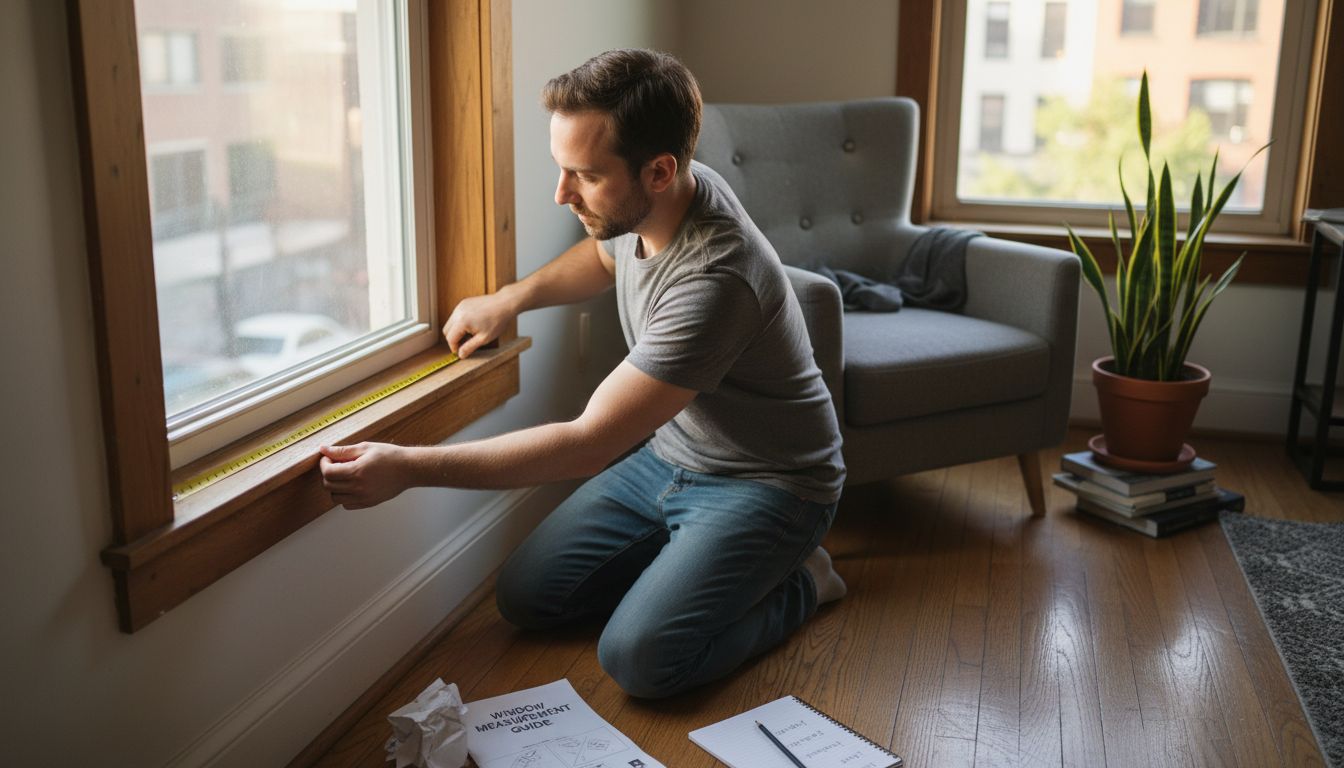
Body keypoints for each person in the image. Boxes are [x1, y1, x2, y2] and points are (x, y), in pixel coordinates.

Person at [318, 48, 846, 699]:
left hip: (771, 483)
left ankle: (801, 582)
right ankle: (700, 569)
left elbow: (587, 444)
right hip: (674, 454)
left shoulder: (715, 281)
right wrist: (509, 299)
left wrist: (408, 467)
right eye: (561, 169)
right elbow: (603, 260)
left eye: (583, 176)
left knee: (641, 660)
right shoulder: (662, 194)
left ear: (658, 171)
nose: (562, 193)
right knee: (525, 598)